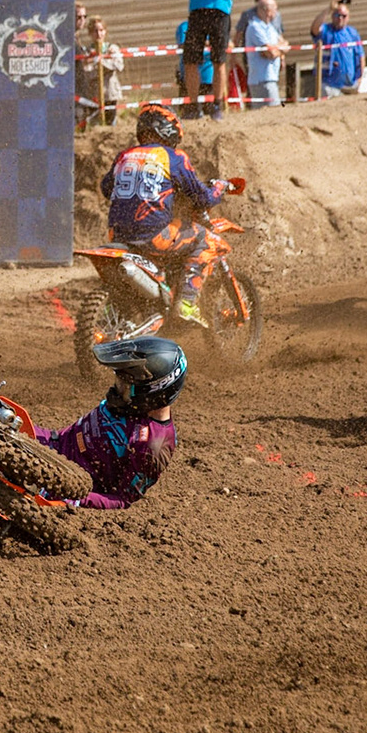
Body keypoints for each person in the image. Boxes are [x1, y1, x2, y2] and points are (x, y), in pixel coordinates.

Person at [101, 104, 230, 328]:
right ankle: (186, 304)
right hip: (153, 236)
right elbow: (203, 199)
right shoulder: (173, 157)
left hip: (118, 236)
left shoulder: (124, 156)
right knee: (204, 239)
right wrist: (219, 188)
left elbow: (106, 188)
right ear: (168, 131)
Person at [39, 337, 182, 509]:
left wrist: (69, 499)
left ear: (150, 392)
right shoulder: (129, 404)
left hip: (63, 482)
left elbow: (121, 499)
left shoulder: (153, 447)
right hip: (51, 444)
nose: (116, 389)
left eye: (124, 385)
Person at [312, 0, 363, 97]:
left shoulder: (352, 33)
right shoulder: (326, 31)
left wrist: (359, 79)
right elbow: (315, 28)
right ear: (332, 16)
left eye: (343, 16)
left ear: (348, 17)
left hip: (350, 84)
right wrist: (329, 9)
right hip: (329, 84)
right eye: (337, 15)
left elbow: (360, 56)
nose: (340, 18)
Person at [243, 0, 287, 106]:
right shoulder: (255, 27)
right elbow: (270, 53)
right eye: (275, 9)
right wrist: (278, 49)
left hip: (270, 77)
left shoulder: (270, 28)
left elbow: (285, 45)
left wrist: (276, 50)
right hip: (261, 79)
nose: (277, 12)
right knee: (272, 112)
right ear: (267, 10)